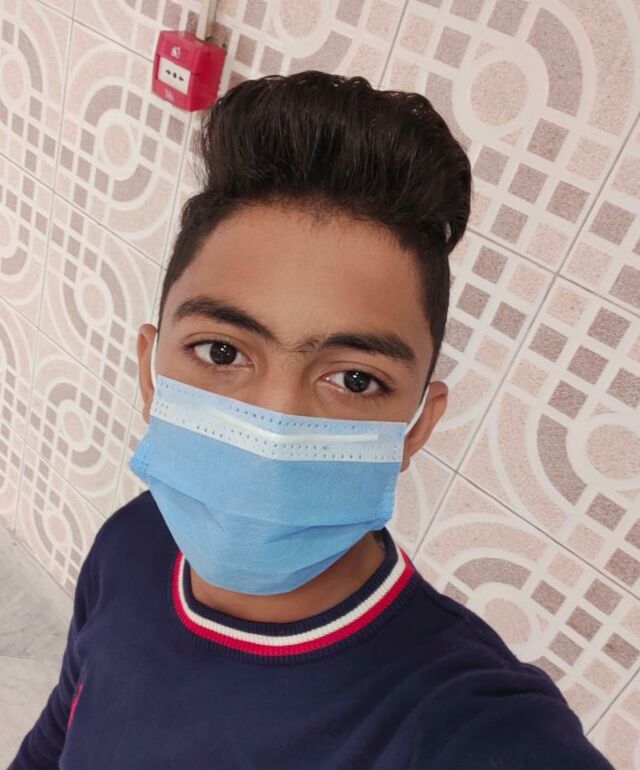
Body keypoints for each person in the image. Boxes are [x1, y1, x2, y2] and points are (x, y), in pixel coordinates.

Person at [8, 70, 614, 770]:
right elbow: (56, 737)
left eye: (355, 379)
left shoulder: (461, 723)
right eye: (222, 351)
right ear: (151, 372)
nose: (273, 425)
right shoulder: (130, 543)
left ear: (416, 427)